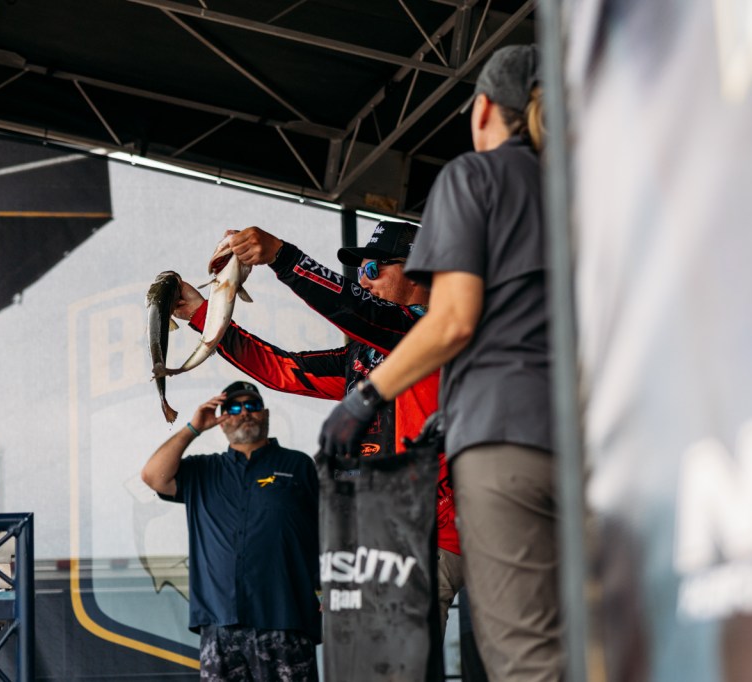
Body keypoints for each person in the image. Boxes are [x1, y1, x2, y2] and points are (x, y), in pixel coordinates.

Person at [319, 45, 560, 681]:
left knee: (527, 658)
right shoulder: (587, 188)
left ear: (484, 110)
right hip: (594, 442)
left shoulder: (474, 178)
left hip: (505, 440)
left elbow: (451, 321)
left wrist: (363, 398)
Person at [172, 220, 463, 632]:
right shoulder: (368, 352)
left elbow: (359, 312)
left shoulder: (441, 329)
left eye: (374, 269)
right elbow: (283, 370)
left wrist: (283, 257)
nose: (364, 280)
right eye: (360, 270)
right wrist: (201, 314)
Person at [141, 381, 320, 681]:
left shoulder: (298, 465)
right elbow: (152, 476)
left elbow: (326, 526)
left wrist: (331, 588)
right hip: (219, 623)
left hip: (286, 616)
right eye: (234, 408)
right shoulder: (202, 470)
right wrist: (194, 427)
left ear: (265, 414)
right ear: (222, 420)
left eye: (252, 406)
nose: (244, 413)